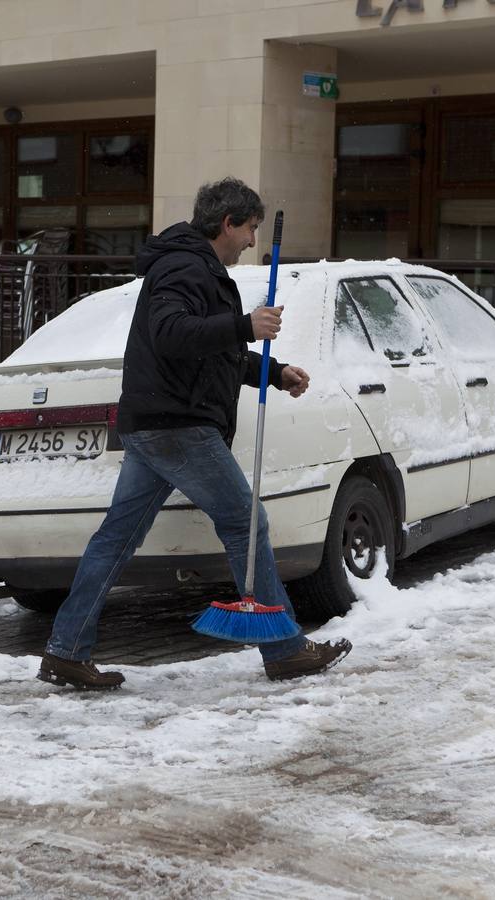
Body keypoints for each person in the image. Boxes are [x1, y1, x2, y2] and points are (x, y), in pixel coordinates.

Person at [38, 177, 351, 691]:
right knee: (246, 524)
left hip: (154, 424)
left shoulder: (191, 265)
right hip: (177, 426)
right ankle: (286, 650)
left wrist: (273, 371)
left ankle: (66, 652)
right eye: (249, 229)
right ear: (228, 223)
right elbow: (171, 335)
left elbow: (206, 350)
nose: (252, 241)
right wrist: (245, 326)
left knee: (116, 539)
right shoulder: (186, 267)